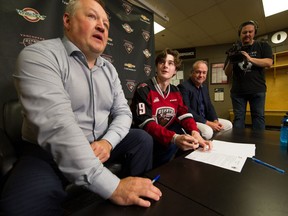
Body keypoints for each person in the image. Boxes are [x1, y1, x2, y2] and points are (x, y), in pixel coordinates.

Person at [0, 0, 162, 215]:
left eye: (105, 22)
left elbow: (123, 113)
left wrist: (107, 142)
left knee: (142, 139)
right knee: (21, 207)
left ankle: (138, 198)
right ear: (67, 20)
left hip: (100, 146)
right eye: (92, 17)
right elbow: (59, 128)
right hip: (48, 153)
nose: (102, 26)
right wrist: (113, 187)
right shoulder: (39, 56)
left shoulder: (110, 70)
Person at [130, 48, 212, 168]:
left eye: (170, 63)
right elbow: (145, 123)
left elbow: (184, 114)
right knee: (170, 139)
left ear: (175, 70)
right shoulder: (144, 88)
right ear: (157, 67)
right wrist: (173, 137)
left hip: (165, 136)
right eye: (162, 62)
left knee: (185, 133)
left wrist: (195, 132)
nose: (165, 66)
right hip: (147, 139)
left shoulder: (175, 90)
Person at [224, 20, 273, 130]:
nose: (247, 35)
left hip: (257, 90)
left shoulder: (262, 46)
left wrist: (250, 59)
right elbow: (227, 73)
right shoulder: (234, 49)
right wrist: (232, 60)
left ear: (254, 32)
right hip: (238, 92)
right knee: (238, 118)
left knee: (258, 118)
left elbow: (269, 63)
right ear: (240, 34)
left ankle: (259, 144)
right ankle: (238, 144)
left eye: (250, 32)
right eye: (244, 32)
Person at [178, 60, 232, 140]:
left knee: (228, 125)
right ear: (192, 72)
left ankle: (215, 143)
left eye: (204, 72)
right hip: (193, 120)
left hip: (206, 119)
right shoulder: (183, 87)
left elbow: (209, 106)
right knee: (207, 132)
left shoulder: (204, 87)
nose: (201, 75)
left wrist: (215, 120)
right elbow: (187, 109)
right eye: (198, 72)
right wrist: (208, 123)